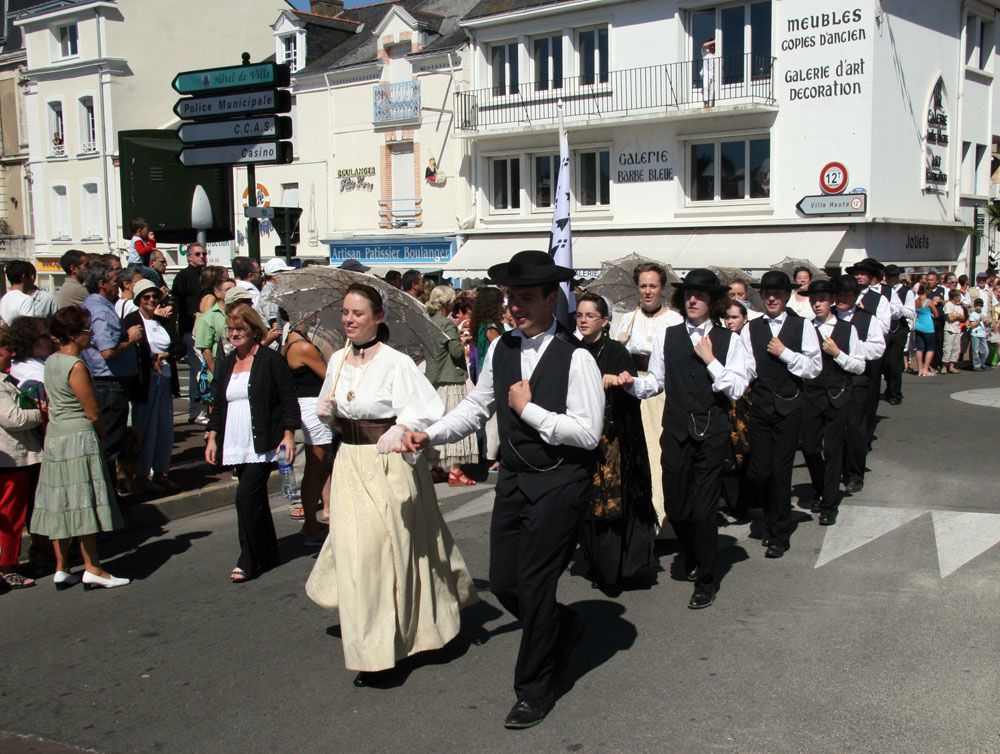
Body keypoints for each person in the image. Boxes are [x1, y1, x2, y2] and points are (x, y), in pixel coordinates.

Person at [403, 250, 604, 729]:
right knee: (508, 582)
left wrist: (529, 409)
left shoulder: (577, 358)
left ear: (552, 299)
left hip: (560, 481)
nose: (515, 307)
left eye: (527, 298)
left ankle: (534, 688)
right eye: (511, 298)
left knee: (534, 584)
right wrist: (431, 434)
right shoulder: (501, 348)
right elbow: (475, 407)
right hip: (514, 479)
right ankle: (560, 621)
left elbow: (588, 433)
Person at [305, 282, 476, 687]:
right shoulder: (338, 361)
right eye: (345, 313)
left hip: (389, 465)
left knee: (390, 553)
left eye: (357, 313)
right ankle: (374, 646)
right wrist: (327, 413)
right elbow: (336, 407)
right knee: (356, 553)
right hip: (349, 463)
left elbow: (425, 410)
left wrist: (401, 427)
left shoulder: (397, 362)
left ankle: (396, 644)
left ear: (378, 318)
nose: (348, 320)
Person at [618, 270, 750, 607]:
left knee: (705, 510)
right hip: (676, 430)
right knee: (677, 506)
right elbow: (656, 382)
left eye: (701, 295)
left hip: (712, 433)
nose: (693, 300)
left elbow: (736, 387)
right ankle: (691, 552)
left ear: (713, 302)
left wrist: (711, 361)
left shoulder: (730, 340)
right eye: (689, 294)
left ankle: (706, 578)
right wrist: (631, 383)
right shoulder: (668, 335)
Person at [31, 306, 129, 590]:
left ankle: (62, 566)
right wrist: (100, 434)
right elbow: (92, 411)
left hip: (56, 435)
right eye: (87, 329)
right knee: (84, 499)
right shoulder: (75, 365)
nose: (91, 334)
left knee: (59, 500)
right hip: (77, 435)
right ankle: (93, 567)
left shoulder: (50, 361)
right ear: (73, 334)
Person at [205, 304, 300, 583]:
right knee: (255, 499)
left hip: (264, 440)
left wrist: (289, 434)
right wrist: (212, 436)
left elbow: (287, 400)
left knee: (244, 499)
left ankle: (248, 558)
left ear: (254, 331)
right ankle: (269, 552)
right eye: (231, 330)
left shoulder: (270, 360)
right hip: (235, 440)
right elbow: (218, 404)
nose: (234, 334)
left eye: (240, 329)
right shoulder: (226, 362)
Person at [573, 293, 656, 590]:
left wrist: (617, 381)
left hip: (614, 441)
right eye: (579, 315)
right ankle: (597, 564)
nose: (583, 320)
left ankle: (616, 569)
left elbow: (631, 385)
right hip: (581, 440)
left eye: (589, 315)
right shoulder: (571, 348)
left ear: (605, 321)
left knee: (613, 504)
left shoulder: (616, 351)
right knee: (585, 504)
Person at [741, 270, 822, 558]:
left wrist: (785, 353)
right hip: (761, 407)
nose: (771, 298)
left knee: (780, 471)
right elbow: (746, 367)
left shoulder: (802, 326)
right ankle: (770, 516)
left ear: (786, 296)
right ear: (761, 297)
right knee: (760, 471)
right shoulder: (751, 328)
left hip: (789, 406)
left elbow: (814, 368)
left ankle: (779, 531)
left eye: (777, 293)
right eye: (766, 294)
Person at [610, 262, 683, 536]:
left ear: (661, 288)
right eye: (643, 286)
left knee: (659, 453)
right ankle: (638, 521)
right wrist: (621, 342)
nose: (648, 291)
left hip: (662, 392)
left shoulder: (674, 320)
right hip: (633, 389)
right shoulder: (627, 319)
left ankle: (665, 522)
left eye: (653, 286)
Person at [800, 279, 865, 526]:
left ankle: (829, 503)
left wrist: (837, 354)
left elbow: (859, 365)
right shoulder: (805, 328)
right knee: (809, 447)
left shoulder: (848, 330)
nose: (817, 304)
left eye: (823, 299)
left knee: (833, 449)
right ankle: (819, 487)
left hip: (838, 396)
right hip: (811, 395)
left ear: (832, 301)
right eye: (814, 300)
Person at [81, 262, 143, 493]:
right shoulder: (99, 310)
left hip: (110, 382)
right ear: (101, 284)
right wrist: (131, 338)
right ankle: (108, 496)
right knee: (111, 442)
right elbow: (107, 351)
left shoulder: (99, 306)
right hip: (109, 383)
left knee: (111, 440)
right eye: (114, 280)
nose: (118, 284)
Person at [124, 280, 181, 494]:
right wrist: (150, 359)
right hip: (145, 381)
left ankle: (161, 471)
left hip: (165, 378)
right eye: (146, 297)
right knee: (145, 428)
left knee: (165, 428)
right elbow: (132, 347)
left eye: (154, 296)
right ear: (139, 299)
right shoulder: (131, 320)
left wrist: (165, 355)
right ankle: (140, 474)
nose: (151, 301)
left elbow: (179, 344)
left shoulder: (161, 321)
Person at [0, 327, 44, 589]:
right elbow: (13, 418)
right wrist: (41, 413)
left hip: (13, 457)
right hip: (11, 459)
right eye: (7, 348)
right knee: (10, 514)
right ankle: (7, 566)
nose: (12, 353)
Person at [281, 326, 333, 544]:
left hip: (306, 407)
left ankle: (313, 522)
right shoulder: (303, 347)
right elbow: (329, 377)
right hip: (313, 409)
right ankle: (311, 526)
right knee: (316, 468)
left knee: (319, 468)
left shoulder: (287, 347)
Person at [833, 275, 885, 494]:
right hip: (832, 380)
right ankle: (832, 472)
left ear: (855, 296)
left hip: (857, 379)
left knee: (855, 426)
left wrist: (851, 348)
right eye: (839, 295)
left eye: (847, 294)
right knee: (833, 429)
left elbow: (877, 348)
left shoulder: (867, 318)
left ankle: (855, 473)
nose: (842, 299)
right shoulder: (828, 316)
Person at [424, 285, 477, 486]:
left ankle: (437, 467)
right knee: (455, 422)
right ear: (447, 303)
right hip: (451, 378)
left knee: (438, 423)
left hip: (433, 380)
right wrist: (463, 339)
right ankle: (455, 470)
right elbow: (456, 352)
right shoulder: (447, 324)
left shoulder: (427, 322)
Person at [171, 242, 208, 424]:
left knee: (204, 368)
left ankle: (204, 409)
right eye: (198, 254)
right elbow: (177, 302)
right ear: (189, 256)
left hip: (205, 328)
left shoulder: (206, 276)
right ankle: (195, 411)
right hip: (190, 329)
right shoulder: (183, 276)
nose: (202, 256)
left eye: (204, 254)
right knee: (197, 369)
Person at [470, 286, 505, 467]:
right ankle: (491, 457)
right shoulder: (491, 326)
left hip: (483, 373)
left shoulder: (480, 324)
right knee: (494, 420)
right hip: (494, 375)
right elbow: (500, 349)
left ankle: (487, 454)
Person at [881, 264, 915, 404]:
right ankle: (889, 387)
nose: (890, 279)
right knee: (884, 363)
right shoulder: (882, 290)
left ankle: (895, 393)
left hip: (898, 329)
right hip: (884, 328)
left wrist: (897, 309)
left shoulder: (906, 292)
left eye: (893, 276)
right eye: (888, 276)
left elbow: (911, 312)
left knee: (894, 363)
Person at [1, 261, 40, 325]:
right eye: (30, 275)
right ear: (23, 277)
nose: (32, 278)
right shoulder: (26, 299)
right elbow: (28, 328)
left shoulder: (4, 298)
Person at [913, 284, 938, 377]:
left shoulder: (916, 302)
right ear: (926, 291)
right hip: (928, 327)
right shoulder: (929, 302)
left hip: (918, 326)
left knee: (920, 348)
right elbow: (936, 314)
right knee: (930, 348)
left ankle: (920, 369)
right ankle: (925, 369)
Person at [941, 289, 964, 373]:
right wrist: (957, 316)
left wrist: (956, 315)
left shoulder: (959, 306)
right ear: (955, 297)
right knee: (947, 348)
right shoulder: (948, 305)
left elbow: (963, 317)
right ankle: (944, 367)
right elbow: (950, 318)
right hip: (949, 329)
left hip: (957, 329)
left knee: (956, 348)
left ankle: (951, 366)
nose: (960, 299)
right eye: (959, 297)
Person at [968, 298, 989, 371]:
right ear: (974, 306)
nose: (978, 307)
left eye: (980, 305)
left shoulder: (984, 314)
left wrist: (986, 321)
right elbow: (972, 325)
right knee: (975, 351)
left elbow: (987, 325)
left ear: (982, 306)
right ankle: (976, 366)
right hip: (975, 334)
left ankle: (982, 364)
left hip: (983, 334)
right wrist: (979, 320)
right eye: (977, 305)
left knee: (985, 351)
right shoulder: (972, 314)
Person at [701, 38, 717, 107]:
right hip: (706, 74)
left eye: (713, 45)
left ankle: (710, 104)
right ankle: (706, 103)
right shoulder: (705, 53)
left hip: (714, 75)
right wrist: (714, 41)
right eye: (711, 45)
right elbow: (704, 45)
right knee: (705, 86)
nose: (712, 47)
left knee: (712, 90)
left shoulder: (716, 54)